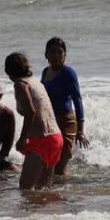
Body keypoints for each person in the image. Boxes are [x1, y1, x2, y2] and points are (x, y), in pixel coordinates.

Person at [5, 52, 63, 190]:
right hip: (55, 138)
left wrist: (23, 138)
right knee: (43, 191)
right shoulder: (36, 82)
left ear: (8, 71)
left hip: (41, 139)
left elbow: (31, 112)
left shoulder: (20, 84)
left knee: (25, 189)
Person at [41, 37, 89, 177]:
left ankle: (65, 195)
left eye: (59, 52)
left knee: (60, 167)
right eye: (52, 52)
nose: (56, 55)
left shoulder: (68, 73)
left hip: (66, 123)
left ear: (65, 54)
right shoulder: (45, 72)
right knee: (49, 164)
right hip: (49, 122)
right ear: (46, 55)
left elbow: (77, 100)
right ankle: (52, 194)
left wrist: (80, 130)